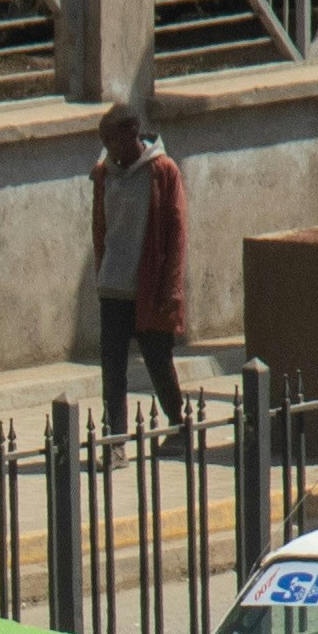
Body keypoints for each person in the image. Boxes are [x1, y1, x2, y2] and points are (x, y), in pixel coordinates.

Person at [86, 102, 192, 436]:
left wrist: (170, 287)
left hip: (149, 287)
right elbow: (99, 228)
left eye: (113, 141)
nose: (109, 149)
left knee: (159, 363)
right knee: (113, 369)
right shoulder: (104, 174)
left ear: (131, 135)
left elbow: (177, 233)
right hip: (114, 288)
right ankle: (115, 439)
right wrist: (102, 272)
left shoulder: (162, 171)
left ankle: (179, 427)